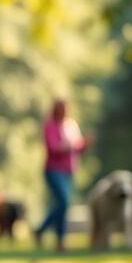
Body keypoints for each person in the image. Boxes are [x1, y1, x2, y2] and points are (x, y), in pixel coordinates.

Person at [34, 98, 89, 252]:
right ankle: (56, 238)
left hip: (68, 171)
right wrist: (70, 146)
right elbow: (52, 148)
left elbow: (77, 148)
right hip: (53, 170)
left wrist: (85, 144)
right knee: (63, 202)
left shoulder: (71, 125)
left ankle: (45, 233)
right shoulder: (49, 125)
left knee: (61, 204)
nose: (64, 111)